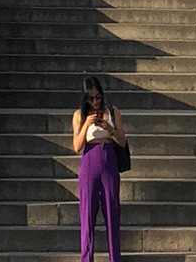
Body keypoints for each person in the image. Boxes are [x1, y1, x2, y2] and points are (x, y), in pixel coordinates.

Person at [73, 73, 127, 262]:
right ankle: (86, 258)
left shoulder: (113, 111)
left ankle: (115, 258)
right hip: (89, 160)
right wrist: (87, 123)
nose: (95, 101)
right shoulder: (79, 115)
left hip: (109, 159)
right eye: (91, 98)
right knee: (87, 214)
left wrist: (110, 129)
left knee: (112, 210)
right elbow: (76, 146)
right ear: (85, 98)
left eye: (98, 97)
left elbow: (122, 141)